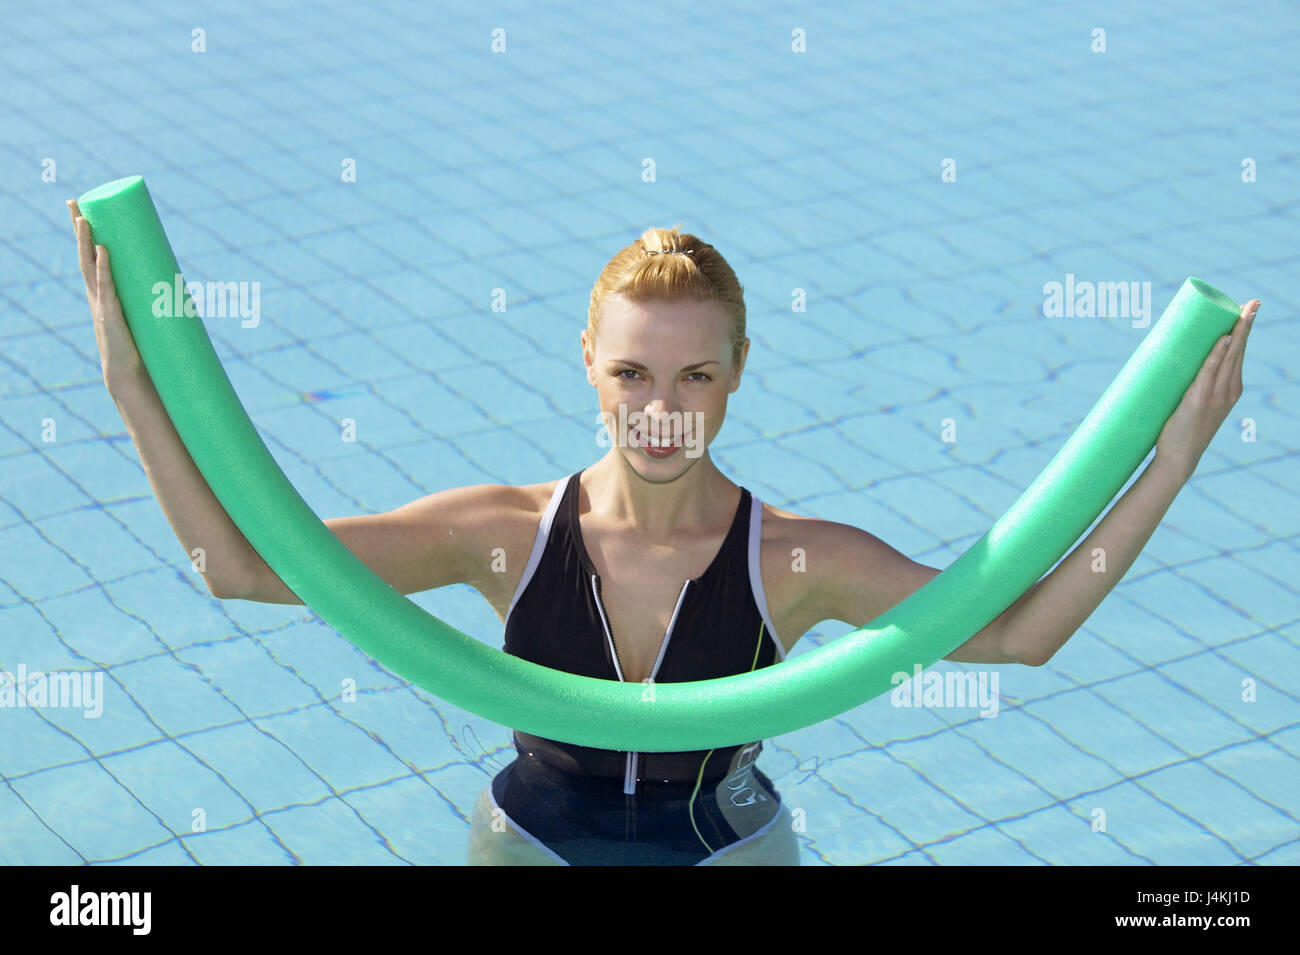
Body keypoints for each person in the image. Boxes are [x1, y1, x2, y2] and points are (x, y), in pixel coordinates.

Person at [69, 200, 1259, 865]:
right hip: (530, 842)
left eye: (693, 373)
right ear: (588, 363)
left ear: (738, 370)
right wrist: (133, 381)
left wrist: (1170, 457)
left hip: (725, 849)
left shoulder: (796, 561)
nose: (660, 408)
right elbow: (232, 562)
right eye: (632, 370)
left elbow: (1015, 633)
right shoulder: (499, 536)